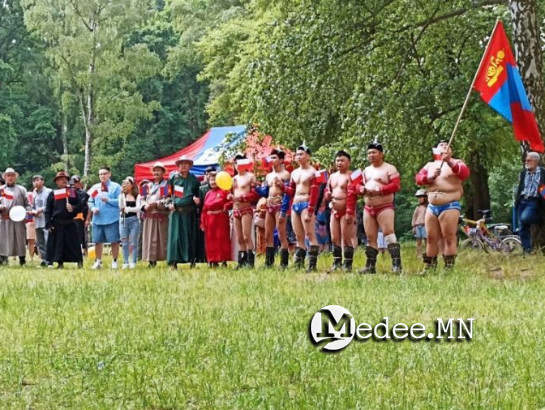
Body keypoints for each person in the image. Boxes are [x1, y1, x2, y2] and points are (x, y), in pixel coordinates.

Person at [415, 140, 470, 269]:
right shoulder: (430, 165)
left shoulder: (457, 162)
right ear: (436, 150)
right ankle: (430, 266)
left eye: (447, 145)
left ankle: (449, 267)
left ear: (451, 150)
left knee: (449, 237)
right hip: (432, 206)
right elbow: (418, 179)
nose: (444, 146)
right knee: (431, 237)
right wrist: (428, 178)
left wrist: (449, 161)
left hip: (449, 204)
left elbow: (464, 173)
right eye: (441, 145)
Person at [358, 142, 402, 274]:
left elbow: (396, 185)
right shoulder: (366, 170)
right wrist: (361, 188)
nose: (371, 155)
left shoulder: (390, 168)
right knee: (370, 237)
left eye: (374, 152)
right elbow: (358, 185)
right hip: (368, 207)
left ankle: (396, 265)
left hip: (385, 206)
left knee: (389, 233)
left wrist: (379, 190)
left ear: (381, 154)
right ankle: (370, 266)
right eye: (369, 153)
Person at [283, 144, 320, 272]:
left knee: (310, 234)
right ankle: (299, 264)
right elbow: (291, 191)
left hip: (306, 203)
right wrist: (281, 186)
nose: (298, 157)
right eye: (297, 154)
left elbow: (315, 192)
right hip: (295, 204)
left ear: (308, 156)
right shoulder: (294, 173)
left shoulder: (313, 172)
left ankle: (312, 265)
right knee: (298, 236)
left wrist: (310, 210)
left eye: (301, 154)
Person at [255, 149, 291, 268]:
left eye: (274, 158)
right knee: (268, 234)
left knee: (281, 234)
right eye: (271, 158)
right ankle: (269, 262)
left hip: (279, 205)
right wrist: (255, 187)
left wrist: (284, 210)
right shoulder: (269, 175)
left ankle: (284, 263)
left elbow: (288, 194)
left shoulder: (286, 174)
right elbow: (265, 192)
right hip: (269, 205)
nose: (272, 160)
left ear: (281, 160)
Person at [324, 150, 357, 272]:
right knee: (334, 238)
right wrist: (327, 194)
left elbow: (353, 195)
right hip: (334, 210)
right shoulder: (332, 176)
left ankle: (347, 264)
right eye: (337, 160)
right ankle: (336, 263)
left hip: (346, 210)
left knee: (347, 238)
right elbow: (327, 189)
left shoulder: (352, 175)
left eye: (342, 160)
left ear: (349, 162)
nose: (339, 163)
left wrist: (349, 212)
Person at [44, 171, 85, 268]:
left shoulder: (72, 192)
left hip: (70, 221)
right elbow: (48, 210)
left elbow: (80, 206)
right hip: (57, 222)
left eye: (65, 179)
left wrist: (73, 208)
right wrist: (48, 223)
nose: (64, 180)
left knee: (74, 244)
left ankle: (79, 261)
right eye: (61, 179)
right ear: (56, 182)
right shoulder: (53, 194)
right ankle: (59, 262)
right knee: (58, 244)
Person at [167, 155, 201, 269]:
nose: (183, 165)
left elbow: (198, 194)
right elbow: (166, 194)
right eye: (181, 164)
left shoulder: (194, 179)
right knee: (176, 238)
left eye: (186, 163)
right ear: (178, 166)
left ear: (190, 166)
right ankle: (174, 262)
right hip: (177, 213)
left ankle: (192, 260)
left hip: (190, 213)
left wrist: (197, 200)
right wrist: (168, 203)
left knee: (190, 237)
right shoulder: (172, 178)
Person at [88, 167, 121, 269]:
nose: (102, 176)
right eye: (100, 174)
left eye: (104, 173)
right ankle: (98, 261)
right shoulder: (95, 187)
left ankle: (114, 261)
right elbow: (90, 200)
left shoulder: (116, 187)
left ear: (109, 174)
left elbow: (120, 201)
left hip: (112, 219)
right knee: (97, 241)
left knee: (114, 241)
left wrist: (109, 200)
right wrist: (93, 208)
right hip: (98, 219)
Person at [230, 154, 258, 268]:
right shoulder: (233, 179)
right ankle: (241, 262)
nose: (237, 165)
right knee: (239, 238)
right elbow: (231, 194)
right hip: (235, 209)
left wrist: (242, 198)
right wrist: (230, 198)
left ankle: (250, 263)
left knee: (247, 236)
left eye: (239, 163)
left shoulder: (250, 176)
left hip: (246, 208)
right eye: (235, 163)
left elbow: (255, 194)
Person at [514, 151, 545, 253]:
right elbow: (520, 188)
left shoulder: (543, 173)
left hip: (533, 201)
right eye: (526, 160)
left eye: (529, 160)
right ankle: (527, 250)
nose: (526, 162)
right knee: (522, 228)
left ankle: (540, 220)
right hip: (522, 201)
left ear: (536, 161)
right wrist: (517, 200)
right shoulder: (523, 173)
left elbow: (543, 189)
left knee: (525, 218)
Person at [140, 163, 170, 267]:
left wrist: (157, 204)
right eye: (155, 170)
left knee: (162, 239)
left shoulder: (165, 185)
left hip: (160, 216)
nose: (156, 172)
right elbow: (141, 199)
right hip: (149, 216)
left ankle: (167, 258)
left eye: (159, 170)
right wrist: (145, 206)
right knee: (149, 239)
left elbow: (167, 199)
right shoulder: (146, 186)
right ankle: (151, 261)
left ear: (163, 172)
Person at [0, 168, 31, 266]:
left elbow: (28, 205)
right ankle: (2, 258)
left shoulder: (22, 189)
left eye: (12, 175)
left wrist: (27, 216)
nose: (10, 177)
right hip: (4, 219)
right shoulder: (1, 189)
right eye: (8, 175)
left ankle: (22, 259)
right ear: (5, 177)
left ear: (16, 177)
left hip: (18, 220)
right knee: (3, 239)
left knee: (20, 239)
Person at [200, 172, 232, 266]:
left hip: (220, 219)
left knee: (221, 239)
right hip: (209, 220)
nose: (213, 182)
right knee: (210, 241)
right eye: (211, 180)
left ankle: (223, 260)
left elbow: (231, 202)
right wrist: (202, 223)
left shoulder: (224, 191)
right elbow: (204, 209)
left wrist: (226, 206)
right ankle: (212, 260)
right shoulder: (208, 194)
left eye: (215, 180)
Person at [119, 176, 141, 269]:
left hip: (134, 220)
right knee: (124, 242)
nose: (125, 185)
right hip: (124, 220)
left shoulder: (137, 196)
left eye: (127, 183)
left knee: (133, 242)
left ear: (132, 185)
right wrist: (122, 195)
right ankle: (126, 261)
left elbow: (138, 208)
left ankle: (133, 261)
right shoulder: (121, 196)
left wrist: (128, 209)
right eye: (124, 183)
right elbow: (121, 207)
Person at [197, 165, 216, 263]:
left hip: (217, 216)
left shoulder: (220, 187)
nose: (209, 175)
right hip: (205, 216)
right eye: (207, 174)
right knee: (206, 238)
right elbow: (200, 205)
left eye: (211, 173)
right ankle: (206, 258)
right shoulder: (202, 188)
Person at [31, 175, 52, 266]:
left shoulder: (49, 192)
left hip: (46, 220)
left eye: (38, 180)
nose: (36, 182)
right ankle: (44, 259)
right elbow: (33, 206)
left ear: (42, 181)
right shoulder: (34, 193)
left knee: (48, 241)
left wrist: (42, 209)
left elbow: (51, 204)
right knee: (40, 242)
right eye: (34, 181)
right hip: (37, 221)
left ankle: (50, 260)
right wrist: (33, 211)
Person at [69, 175, 89, 256]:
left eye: (75, 182)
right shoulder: (70, 192)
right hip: (71, 216)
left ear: (79, 183)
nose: (73, 184)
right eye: (72, 183)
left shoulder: (82, 193)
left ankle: (83, 251)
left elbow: (82, 204)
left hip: (80, 216)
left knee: (81, 235)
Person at [412, 189, 428, 257]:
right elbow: (414, 217)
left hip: (425, 226)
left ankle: (428, 254)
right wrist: (413, 226)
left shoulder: (428, 207)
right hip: (417, 226)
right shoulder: (418, 207)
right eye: (418, 198)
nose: (419, 199)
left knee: (427, 241)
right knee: (418, 242)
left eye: (420, 197)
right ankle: (419, 255)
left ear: (425, 198)